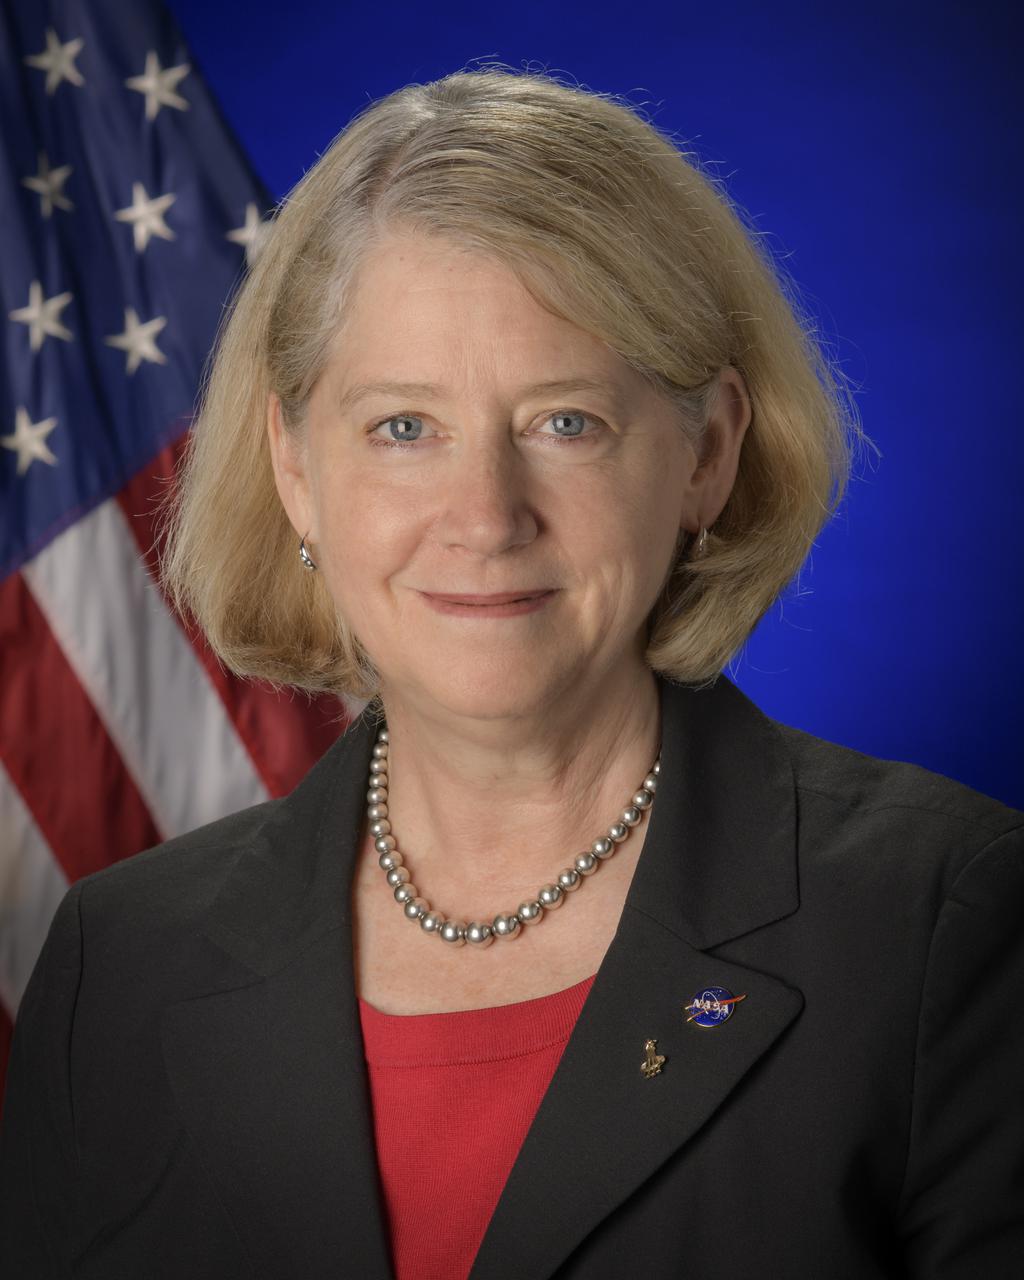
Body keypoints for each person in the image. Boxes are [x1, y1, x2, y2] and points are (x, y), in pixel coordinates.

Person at [1, 65, 1021, 1280]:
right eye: (403, 427)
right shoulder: (119, 961)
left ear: (705, 453)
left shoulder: (941, 919)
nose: (485, 516)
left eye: (564, 421)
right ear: (293, 467)